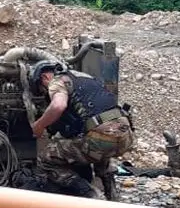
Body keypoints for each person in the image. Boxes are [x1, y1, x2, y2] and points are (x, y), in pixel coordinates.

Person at [28, 61, 134, 199]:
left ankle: (89, 194)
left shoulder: (57, 81)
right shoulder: (84, 78)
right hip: (126, 136)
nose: (46, 93)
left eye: (42, 90)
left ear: (44, 78)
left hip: (101, 136)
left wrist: (39, 126)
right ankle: (112, 195)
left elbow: (58, 106)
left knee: (46, 158)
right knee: (98, 148)